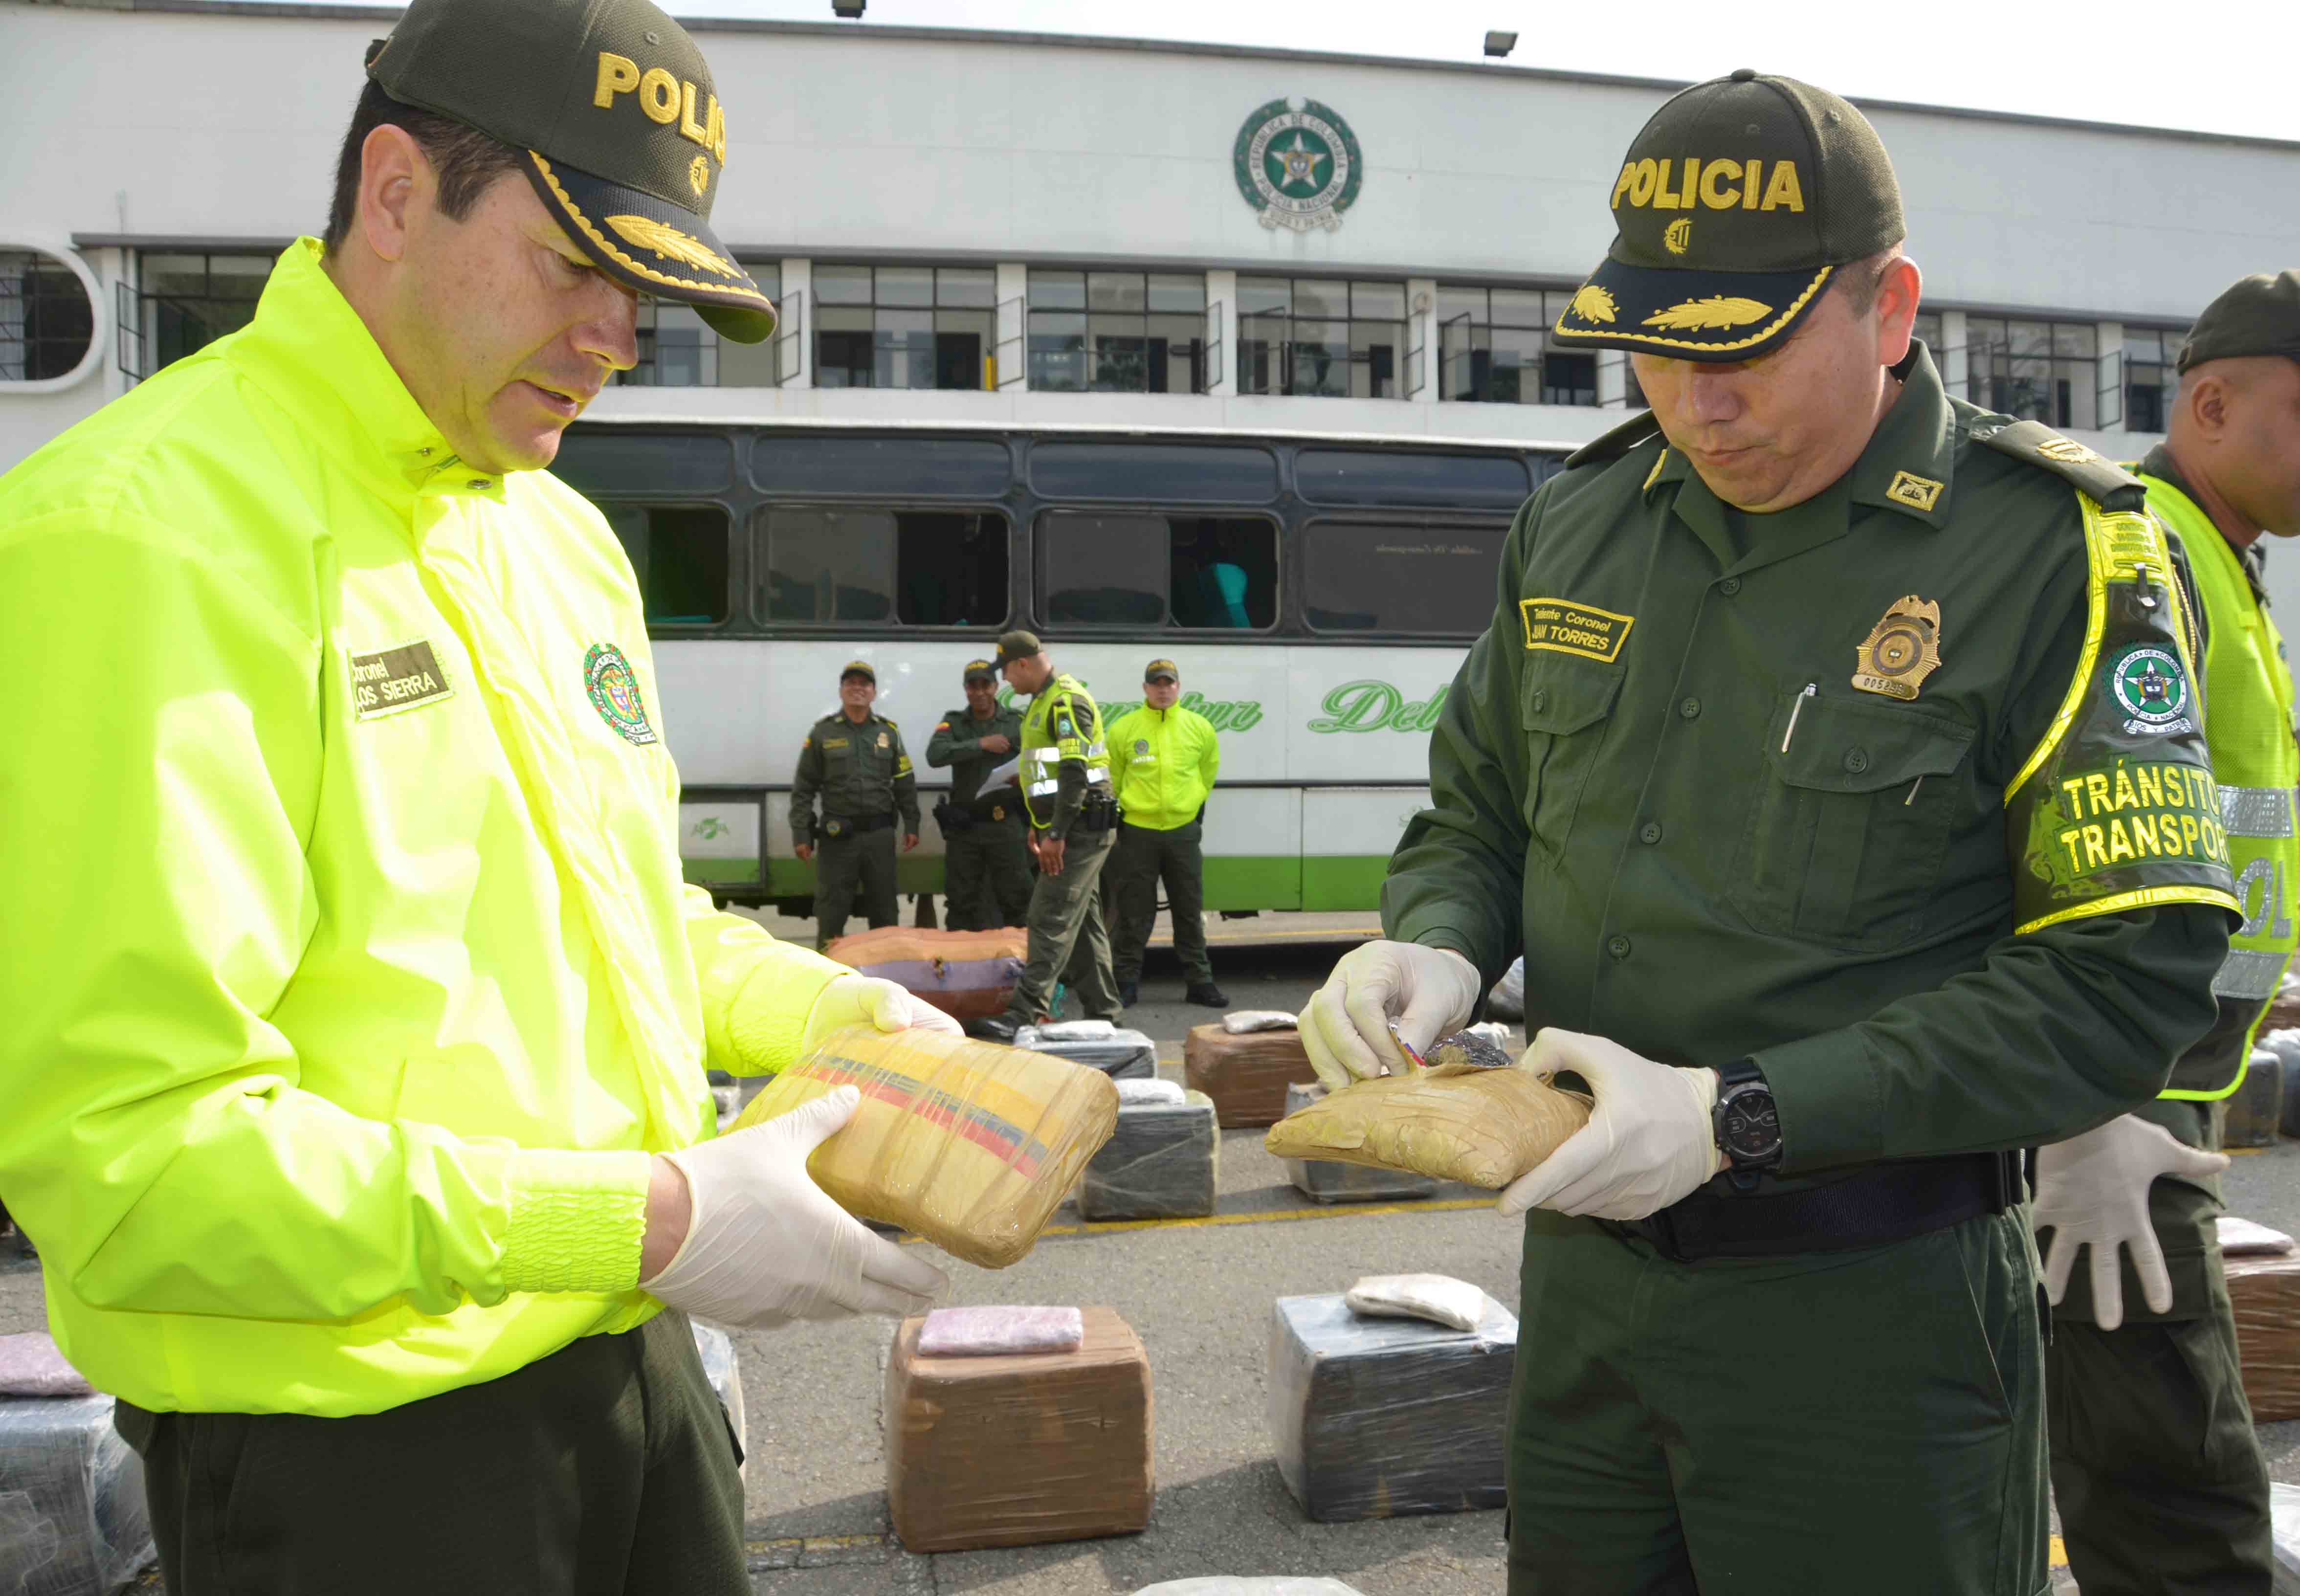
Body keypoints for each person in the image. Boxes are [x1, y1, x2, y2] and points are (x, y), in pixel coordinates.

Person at [0, 1, 955, 1589]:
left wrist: (832, 1014)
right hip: (361, 1460)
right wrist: (655, 1220)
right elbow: (136, 1156)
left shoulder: (557, 538)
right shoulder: (139, 539)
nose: (615, 337)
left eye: (641, 291)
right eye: (574, 264)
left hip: (639, 1377)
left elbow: (616, 919)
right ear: (394, 193)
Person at [1299, 70, 2238, 1596]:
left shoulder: (2049, 553)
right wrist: (1439, 942)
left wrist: (1738, 1113)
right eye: (1657, 350)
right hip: (1588, 1307)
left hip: (1869, 1330)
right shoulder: (1585, 522)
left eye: (1742, 348)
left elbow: (2126, 974)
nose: (1697, 403)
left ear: (1888, 310)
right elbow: (1482, 806)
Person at [2036, 270, 2300, 1596]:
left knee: (2149, 1455)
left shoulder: (2223, 561)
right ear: (2211, 405)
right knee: (2178, 1494)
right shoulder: (2146, 555)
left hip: (2168, 1092)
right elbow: (2081, 837)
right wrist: (2091, 1108)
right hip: (2123, 1111)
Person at [973, 631, 1123, 1041]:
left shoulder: (1065, 702)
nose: (1005, 680)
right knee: (1085, 926)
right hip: (1072, 826)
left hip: (1079, 829)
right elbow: (1048, 773)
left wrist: (1056, 833)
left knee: (1049, 917)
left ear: (1023, 663)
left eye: (1006, 671)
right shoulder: (1043, 701)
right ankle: (1106, 1014)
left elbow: (1075, 771)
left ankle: (1024, 1012)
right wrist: (1041, 827)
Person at [1105, 658, 1228, 1007]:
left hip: (1182, 833)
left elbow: (1207, 773)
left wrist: (1191, 805)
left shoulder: (1199, 727)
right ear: (1145, 688)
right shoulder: (1124, 729)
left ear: (1178, 687)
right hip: (1137, 833)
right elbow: (1113, 779)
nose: (1163, 689)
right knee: (1134, 913)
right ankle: (1126, 983)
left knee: (1189, 911)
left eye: (1168, 683)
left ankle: (1200, 983)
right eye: (1156, 683)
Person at [791, 659, 921, 950]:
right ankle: (827, 970)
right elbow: (804, 788)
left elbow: (904, 782)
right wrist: (801, 833)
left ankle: (886, 971)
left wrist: (912, 823)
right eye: (851, 683)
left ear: (874, 692)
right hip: (838, 839)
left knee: (885, 914)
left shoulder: (888, 733)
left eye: (864, 684)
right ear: (841, 691)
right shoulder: (823, 733)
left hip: (879, 837)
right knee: (831, 914)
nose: (857, 689)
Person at [925, 658, 1031, 931]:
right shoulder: (953, 723)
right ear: (966, 689)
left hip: (1005, 826)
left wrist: (1024, 778)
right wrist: (981, 744)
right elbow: (935, 755)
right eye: (973, 687)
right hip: (966, 829)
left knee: (1017, 900)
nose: (980, 692)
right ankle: (960, 957)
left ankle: (1023, 957)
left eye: (986, 685)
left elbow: (1037, 758)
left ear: (995, 687)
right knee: (961, 903)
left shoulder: (1015, 722)